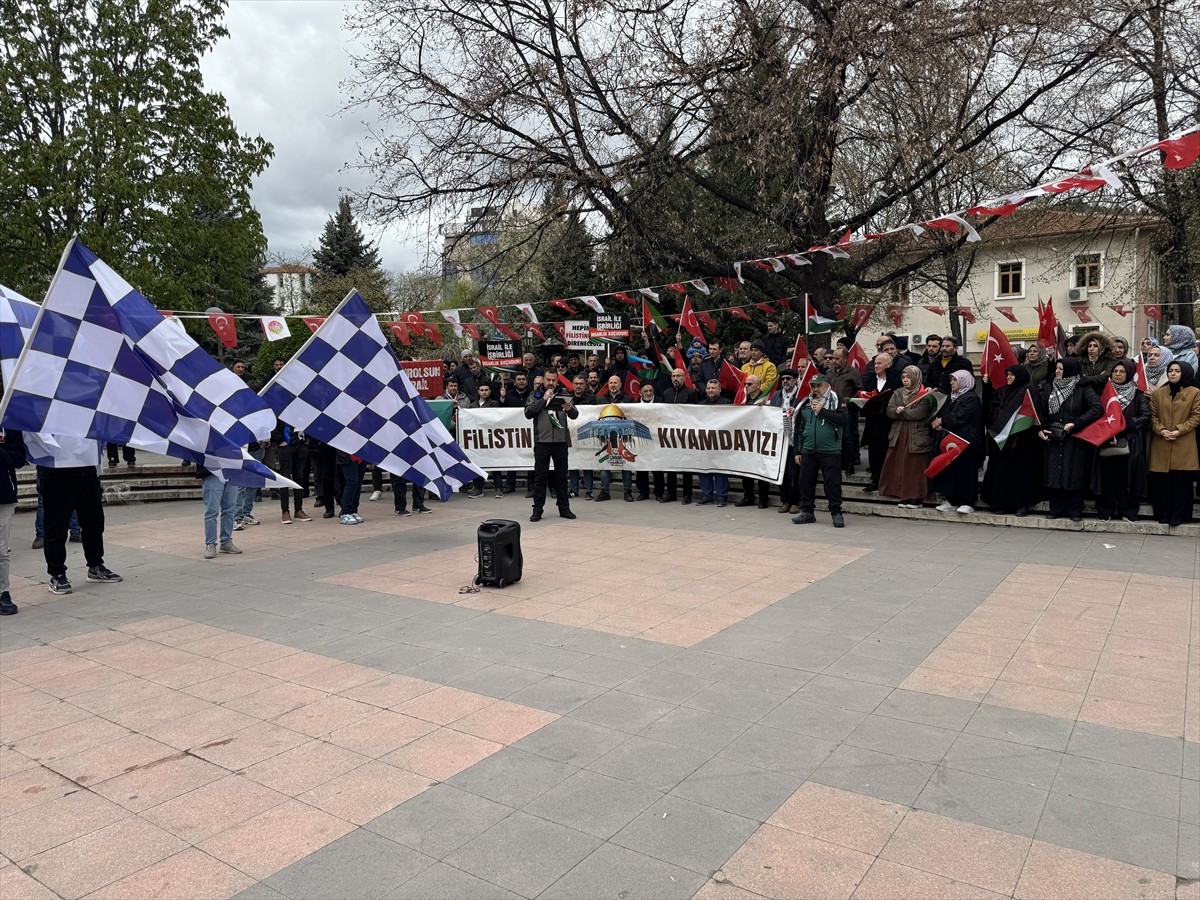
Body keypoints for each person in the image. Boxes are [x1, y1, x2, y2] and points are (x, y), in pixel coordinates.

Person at [36, 436, 122, 594]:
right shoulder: (48, 410)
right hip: (56, 470)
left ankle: (95, 566)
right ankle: (57, 574)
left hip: (87, 469)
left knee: (94, 523)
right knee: (56, 527)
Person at [1038, 357, 1102, 522]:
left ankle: (1075, 509)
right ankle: (1056, 508)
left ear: (1070, 370)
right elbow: (1040, 409)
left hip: (1074, 438)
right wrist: (1040, 428)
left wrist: (1077, 423)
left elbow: (1097, 408)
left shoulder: (1082, 387)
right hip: (1053, 436)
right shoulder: (1049, 387)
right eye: (1057, 368)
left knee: (1074, 473)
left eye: (1061, 369)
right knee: (1054, 473)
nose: (1057, 371)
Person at [1090, 359, 1150, 522]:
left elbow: (1145, 416)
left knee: (1127, 478)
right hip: (1108, 440)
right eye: (1115, 371)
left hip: (1130, 442)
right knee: (1107, 476)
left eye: (1121, 372)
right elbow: (1096, 413)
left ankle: (1128, 511)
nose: (1117, 374)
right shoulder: (1105, 392)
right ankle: (1105, 510)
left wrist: (1127, 424)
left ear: (1129, 374)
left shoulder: (1138, 395)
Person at [981, 365, 1043, 516]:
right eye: (1007, 374)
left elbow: (1034, 412)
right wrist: (987, 387)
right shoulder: (1002, 391)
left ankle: (1022, 505)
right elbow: (991, 408)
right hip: (1002, 440)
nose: (1008, 377)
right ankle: (1002, 503)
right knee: (1002, 474)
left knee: (1021, 475)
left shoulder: (1029, 391)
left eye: (1011, 375)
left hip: (1022, 441)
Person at [1149, 361, 1200, 526]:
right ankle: (1162, 514)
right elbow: (1153, 417)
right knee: (1162, 482)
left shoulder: (1194, 393)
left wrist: (1179, 430)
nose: (1173, 373)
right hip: (1162, 441)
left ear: (1184, 373)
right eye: (1170, 370)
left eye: (1177, 371)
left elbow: (1196, 416)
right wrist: (1161, 430)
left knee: (1181, 482)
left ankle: (1179, 515)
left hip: (1183, 442)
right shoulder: (1158, 393)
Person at [791, 375, 846, 528]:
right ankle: (807, 512)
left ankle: (836, 513)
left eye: (819, 386)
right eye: (813, 386)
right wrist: (798, 451)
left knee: (833, 484)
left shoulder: (835, 400)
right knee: (806, 482)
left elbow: (843, 420)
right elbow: (799, 429)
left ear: (826, 385)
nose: (815, 389)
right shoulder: (805, 403)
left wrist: (822, 411)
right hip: (808, 450)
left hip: (830, 450)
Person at [879, 365, 938, 509]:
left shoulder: (924, 394)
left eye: (908, 377)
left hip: (916, 436)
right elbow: (889, 411)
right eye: (903, 377)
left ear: (916, 378)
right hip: (899, 434)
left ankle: (916, 497)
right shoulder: (898, 392)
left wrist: (902, 411)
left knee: (914, 468)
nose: (905, 380)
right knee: (898, 465)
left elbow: (919, 413)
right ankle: (902, 495)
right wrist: (896, 411)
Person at [525, 373, 578, 521]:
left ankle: (564, 508)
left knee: (561, 476)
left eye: (554, 380)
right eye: (548, 380)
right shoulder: (536, 394)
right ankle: (537, 509)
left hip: (560, 442)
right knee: (540, 477)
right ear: (543, 380)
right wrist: (544, 399)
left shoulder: (564, 393)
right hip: (542, 442)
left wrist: (569, 409)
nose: (551, 383)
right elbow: (529, 413)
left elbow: (575, 414)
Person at [931, 370, 983, 514]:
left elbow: (961, 416)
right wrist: (939, 422)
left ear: (963, 381)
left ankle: (967, 501)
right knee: (950, 470)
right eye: (951, 380)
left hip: (967, 442)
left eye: (954, 380)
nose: (951, 383)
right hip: (951, 441)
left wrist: (943, 421)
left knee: (965, 472)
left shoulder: (972, 399)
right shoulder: (951, 397)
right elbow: (944, 413)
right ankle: (951, 500)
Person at [860, 353, 902, 492]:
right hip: (873, 420)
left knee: (889, 452)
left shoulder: (896, 378)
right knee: (874, 451)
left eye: (879, 363)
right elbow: (865, 394)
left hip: (890, 420)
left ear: (888, 365)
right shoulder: (871, 379)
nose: (876, 366)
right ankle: (876, 479)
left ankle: (890, 482)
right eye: (875, 363)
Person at [662, 368, 700, 503]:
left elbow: (694, 413)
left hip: (685, 434)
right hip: (670, 435)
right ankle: (671, 493)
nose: (675, 378)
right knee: (671, 465)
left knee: (686, 466)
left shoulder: (691, 392)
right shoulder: (667, 393)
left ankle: (687, 494)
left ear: (684, 378)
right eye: (673, 376)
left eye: (678, 376)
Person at [0, 428, 28, 615]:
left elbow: (19, 458)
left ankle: (3, 593)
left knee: (1, 550)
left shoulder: (8, 423)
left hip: (3, 496)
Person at [769, 368, 804, 513]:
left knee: (795, 472)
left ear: (795, 380)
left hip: (794, 439)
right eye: (783, 379)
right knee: (781, 472)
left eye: (788, 378)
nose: (785, 381)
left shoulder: (801, 396)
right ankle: (785, 500)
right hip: (779, 439)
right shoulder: (777, 395)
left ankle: (796, 501)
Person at [827, 346, 863, 475]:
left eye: (837, 358)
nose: (834, 361)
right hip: (833, 408)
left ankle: (850, 463)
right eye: (832, 358)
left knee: (848, 435)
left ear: (845, 358)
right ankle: (840, 461)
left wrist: (850, 400)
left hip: (848, 409)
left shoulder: (853, 372)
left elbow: (860, 390)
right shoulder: (829, 372)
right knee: (836, 436)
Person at [195, 464, 242, 558]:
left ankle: (226, 541)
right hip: (212, 472)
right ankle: (210, 544)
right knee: (211, 511)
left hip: (231, 471)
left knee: (229, 509)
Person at [697, 379, 731, 506]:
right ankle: (707, 495)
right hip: (704, 442)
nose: (710, 390)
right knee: (704, 469)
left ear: (720, 389)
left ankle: (722, 497)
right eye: (709, 388)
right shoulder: (700, 404)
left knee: (720, 470)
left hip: (720, 442)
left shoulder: (727, 403)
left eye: (713, 388)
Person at [271, 419, 311, 524]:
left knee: (299, 476)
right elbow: (271, 424)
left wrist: (307, 439)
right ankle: (285, 511)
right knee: (285, 478)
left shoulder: (301, 406)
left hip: (301, 444)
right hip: (285, 445)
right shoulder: (280, 406)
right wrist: (279, 440)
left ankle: (298, 510)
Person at [336, 450, 366, 525]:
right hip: (347, 455)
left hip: (361, 455)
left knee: (358, 483)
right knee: (352, 482)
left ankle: (353, 511)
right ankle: (345, 512)